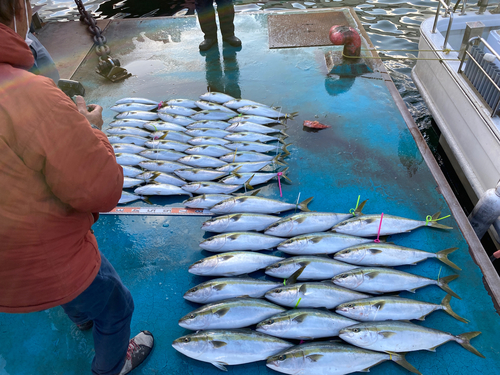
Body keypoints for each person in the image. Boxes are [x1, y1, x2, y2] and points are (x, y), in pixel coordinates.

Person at [0, 0, 154, 374]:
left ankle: (81, 314)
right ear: (16, 9)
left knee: (76, 293)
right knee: (117, 307)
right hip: (44, 260)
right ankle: (111, 367)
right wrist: (91, 130)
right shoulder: (28, 95)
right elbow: (102, 189)